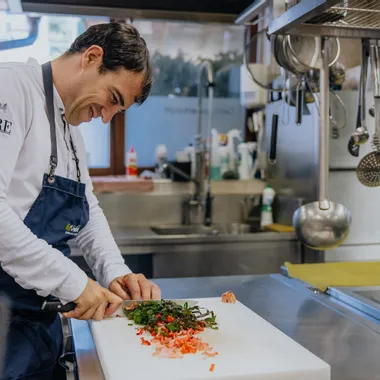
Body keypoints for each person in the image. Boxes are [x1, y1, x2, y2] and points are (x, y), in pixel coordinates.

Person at [0, 21, 161, 380]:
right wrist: (74, 282)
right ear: (91, 57)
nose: (105, 118)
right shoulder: (11, 88)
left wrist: (115, 271)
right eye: (112, 99)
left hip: (37, 325)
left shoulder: (71, 128)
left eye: (117, 113)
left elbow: (86, 212)